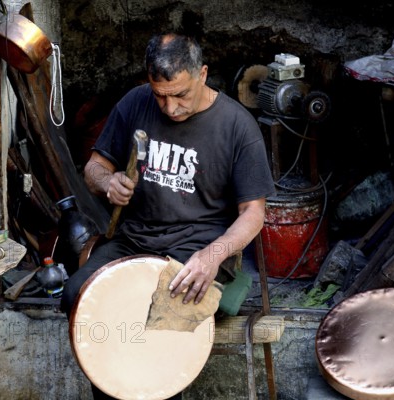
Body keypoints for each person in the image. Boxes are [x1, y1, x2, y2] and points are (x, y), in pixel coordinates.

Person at [61, 33, 276, 399]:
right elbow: (94, 168)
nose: (170, 107)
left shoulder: (238, 126)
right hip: (134, 239)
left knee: (161, 320)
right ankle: (114, 387)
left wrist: (214, 255)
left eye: (180, 95)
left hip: (198, 248)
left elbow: (253, 213)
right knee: (77, 295)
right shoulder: (135, 103)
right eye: (160, 95)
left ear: (202, 74)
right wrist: (108, 182)